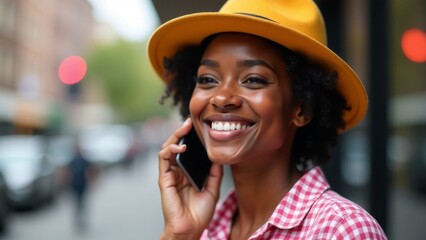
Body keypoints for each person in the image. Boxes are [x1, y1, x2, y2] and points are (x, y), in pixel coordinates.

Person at [147, 0, 387, 239]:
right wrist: (179, 235)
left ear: (301, 109)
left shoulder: (343, 230)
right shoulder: (206, 229)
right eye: (208, 79)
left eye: (253, 79)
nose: (221, 98)